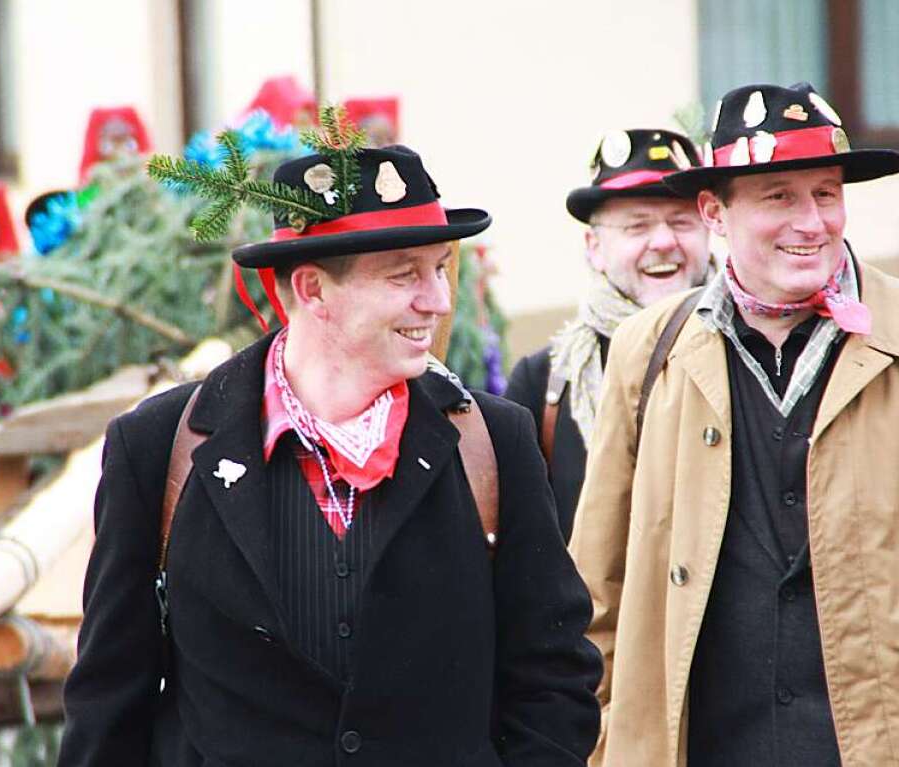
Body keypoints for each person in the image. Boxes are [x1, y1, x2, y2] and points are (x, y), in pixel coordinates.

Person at [60, 142, 602, 765]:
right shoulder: (159, 448)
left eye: (440, 268)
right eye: (405, 275)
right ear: (313, 290)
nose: (439, 300)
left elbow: (553, 679)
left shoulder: (495, 443)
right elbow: (107, 701)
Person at [571, 81, 899, 766]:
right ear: (713, 212)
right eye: (779, 196)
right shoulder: (647, 350)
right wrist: (601, 743)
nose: (810, 221)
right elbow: (595, 593)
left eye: (826, 193)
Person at [505, 129, 710, 539]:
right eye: (637, 227)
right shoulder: (544, 383)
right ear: (594, 247)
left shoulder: (757, 350)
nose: (664, 241)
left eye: (681, 222)